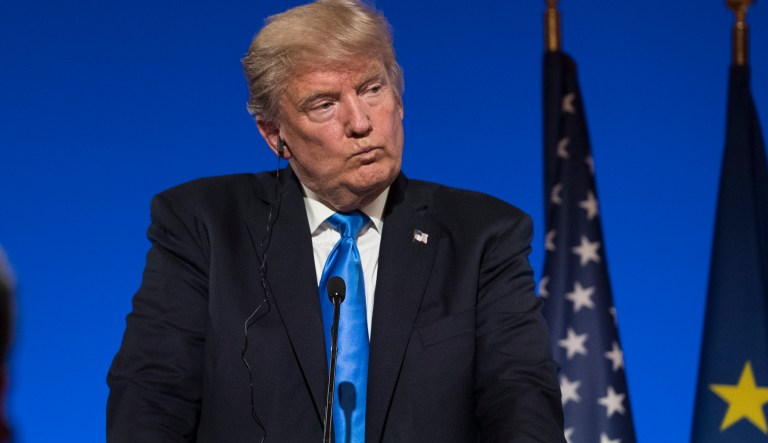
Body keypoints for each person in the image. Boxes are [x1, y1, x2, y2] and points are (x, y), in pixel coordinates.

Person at [106, 1, 565, 441]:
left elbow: (521, 401)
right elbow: (151, 399)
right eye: (324, 104)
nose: (361, 122)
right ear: (274, 134)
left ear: (399, 100)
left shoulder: (483, 236)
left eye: (372, 89)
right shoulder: (204, 226)